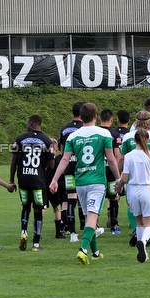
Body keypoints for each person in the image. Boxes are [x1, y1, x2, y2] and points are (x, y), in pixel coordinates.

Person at [49, 103, 120, 264]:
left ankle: (95, 252)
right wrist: (118, 179)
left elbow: (65, 159)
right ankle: (83, 249)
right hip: (97, 181)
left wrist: (54, 179)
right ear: (96, 117)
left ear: (81, 117)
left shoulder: (73, 136)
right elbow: (110, 158)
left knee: (89, 217)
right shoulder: (103, 134)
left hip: (80, 181)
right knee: (92, 216)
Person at [114, 129, 150, 262]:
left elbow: (124, 178)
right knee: (149, 223)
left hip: (133, 190)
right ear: (147, 140)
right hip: (147, 189)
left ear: (134, 140)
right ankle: (143, 241)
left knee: (139, 222)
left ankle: (144, 251)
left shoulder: (129, 155)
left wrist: (118, 188)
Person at [120, 110, 150, 246]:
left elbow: (122, 158)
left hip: (131, 180)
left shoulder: (128, 137)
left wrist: (119, 177)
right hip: (149, 181)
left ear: (136, 121)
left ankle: (137, 232)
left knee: (133, 209)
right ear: (149, 122)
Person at [9, 115, 54, 252]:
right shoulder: (47, 141)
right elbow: (52, 164)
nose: (26, 124)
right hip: (38, 180)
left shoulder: (20, 139)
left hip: (23, 179)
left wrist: (11, 180)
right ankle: (35, 244)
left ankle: (24, 232)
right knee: (38, 209)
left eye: (27, 122)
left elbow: (14, 161)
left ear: (32, 123)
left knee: (25, 207)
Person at [57, 102, 85, 242]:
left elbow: (63, 153)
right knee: (84, 199)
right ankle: (88, 226)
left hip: (68, 168)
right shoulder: (85, 128)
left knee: (71, 199)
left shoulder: (64, 129)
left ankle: (72, 232)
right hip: (83, 168)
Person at [99, 109, 123, 234]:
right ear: (112, 119)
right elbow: (117, 155)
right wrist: (117, 172)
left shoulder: (95, 133)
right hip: (110, 170)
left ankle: (95, 224)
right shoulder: (114, 134)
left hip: (97, 170)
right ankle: (114, 226)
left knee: (97, 197)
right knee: (113, 197)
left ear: (99, 119)